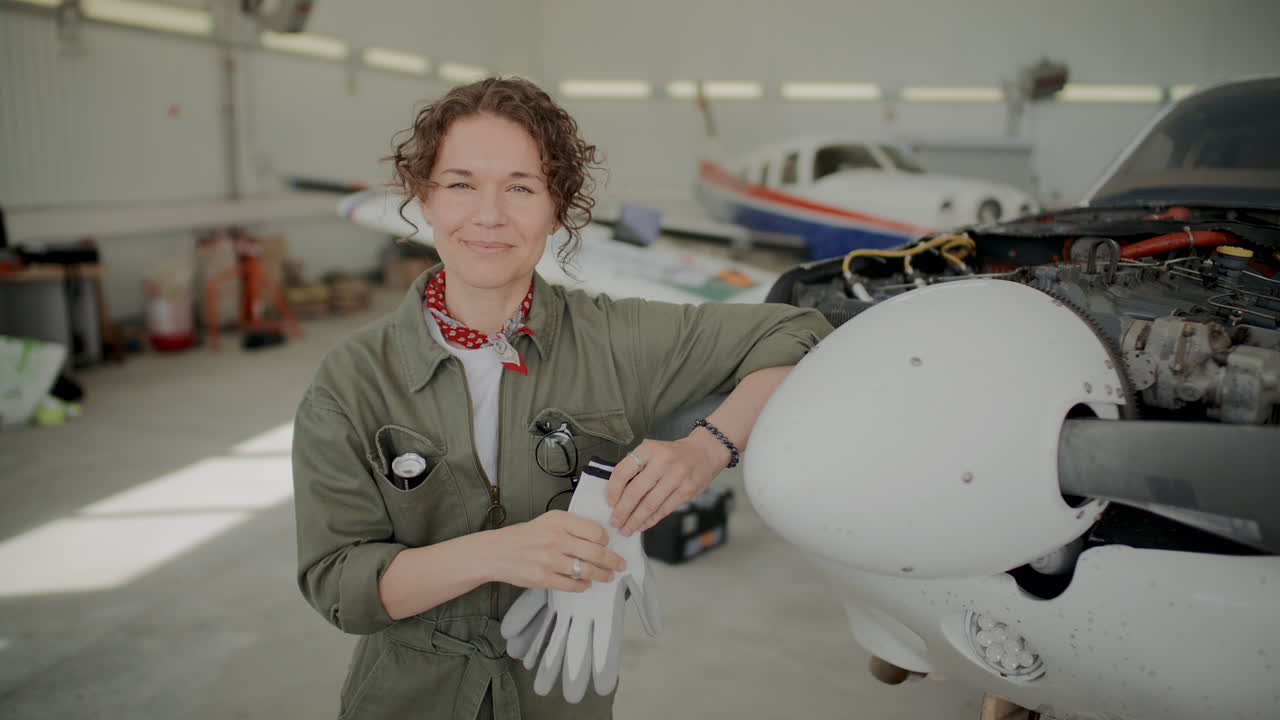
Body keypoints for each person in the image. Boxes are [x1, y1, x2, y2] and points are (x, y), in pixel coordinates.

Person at [291, 76, 832, 720]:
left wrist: (706, 448)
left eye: (521, 187)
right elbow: (338, 587)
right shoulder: (350, 380)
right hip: (407, 697)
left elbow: (802, 330)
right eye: (461, 184)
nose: (489, 215)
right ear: (425, 200)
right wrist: (499, 552)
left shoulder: (618, 338)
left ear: (557, 208)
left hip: (561, 692)